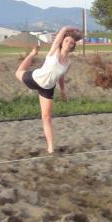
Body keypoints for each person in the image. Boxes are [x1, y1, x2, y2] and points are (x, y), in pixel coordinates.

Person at [15, 26, 79, 154]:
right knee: (18, 72)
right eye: (66, 40)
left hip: (47, 88)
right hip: (35, 79)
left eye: (71, 42)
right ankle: (32, 54)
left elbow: (61, 77)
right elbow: (63, 30)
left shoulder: (68, 63)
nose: (68, 43)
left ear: (72, 47)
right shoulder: (54, 50)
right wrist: (72, 28)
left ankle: (50, 148)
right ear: (62, 42)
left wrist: (63, 91)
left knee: (46, 117)